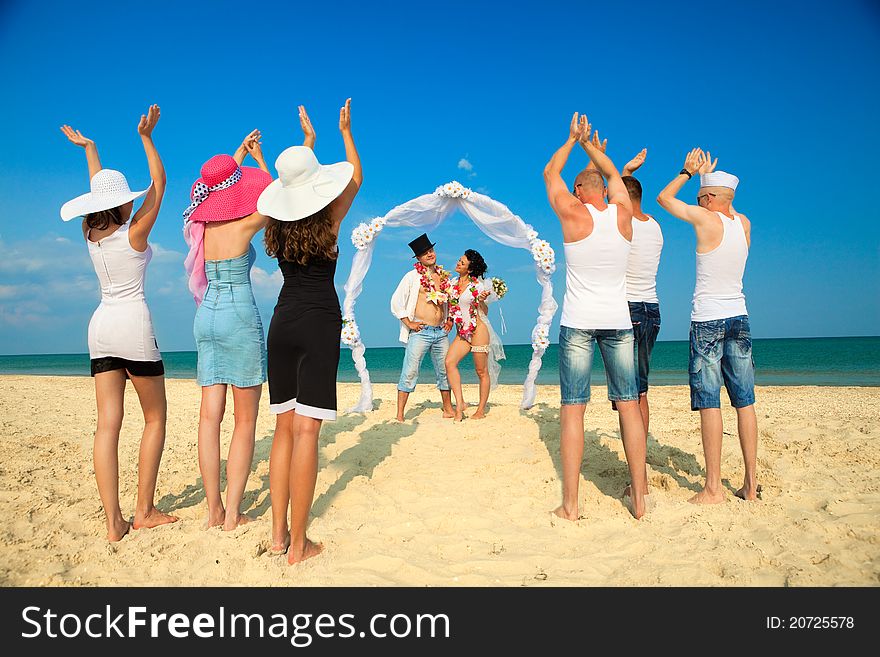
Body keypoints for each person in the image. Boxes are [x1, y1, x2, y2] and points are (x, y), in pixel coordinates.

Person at [59, 105, 177, 541]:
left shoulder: (90, 235)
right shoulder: (135, 233)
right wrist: (147, 138)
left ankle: (113, 524)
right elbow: (160, 185)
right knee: (154, 419)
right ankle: (143, 511)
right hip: (133, 326)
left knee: (107, 425)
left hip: (100, 327)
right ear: (124, 201)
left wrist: (90, 150)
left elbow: (100, 197)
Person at [259, 99, 362, 564]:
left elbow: (295, 192)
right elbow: (354, 178)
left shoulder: (277, 228)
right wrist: (343, 134)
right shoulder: (330, 224)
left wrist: (307, 146)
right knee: (306, 434)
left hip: (282, 322)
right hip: (319, 319)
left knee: (283, 429)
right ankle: (300, 546)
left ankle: (279, 534)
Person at [542, 113, 648, 520]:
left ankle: (570, 505)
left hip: (579, 323)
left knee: (573, 407)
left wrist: (572, 140)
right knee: (628, 406)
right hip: (618, 323)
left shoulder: (572, 212)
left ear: (577, 189)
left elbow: (550, 170)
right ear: (605, 189)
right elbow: (611, 177)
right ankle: (639, 498)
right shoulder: (622, 214)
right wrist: (592, 149)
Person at [183, 126, 276, 531]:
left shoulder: (200, 226)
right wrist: (258, 161)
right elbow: (276, 197)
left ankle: (213, 509)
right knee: (244, 421)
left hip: (206, 315)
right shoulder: (242, 227)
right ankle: (234, 513)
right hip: (238, 313)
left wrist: (235, 156)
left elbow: (212, 188)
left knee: (209, 418)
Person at [657, 149, 758, 504]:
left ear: (709, 199)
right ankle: (749, 484)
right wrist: (706, 180)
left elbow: (663, 198)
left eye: (700, 197)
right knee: (745, 402)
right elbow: (725, 210)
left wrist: (687, 171)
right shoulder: (743, 223)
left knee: (710, 401)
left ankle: (713, 486)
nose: (696, 202)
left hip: (708, 320)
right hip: (740, 317)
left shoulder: (705, 219)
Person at [390, 233, 455, 421]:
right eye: (425, 253)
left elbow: (450, 301)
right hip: (421, 331)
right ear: (418, 258)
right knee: (410, 370)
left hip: (441, 332)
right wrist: (409, 323)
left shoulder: (443, 277)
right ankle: (400, 414)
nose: (430, 254)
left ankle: (448, 408)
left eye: (431, 250)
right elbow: (396, 301)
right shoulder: (412, 277)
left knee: (445, 370)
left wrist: (449, 318)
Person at [444, 249, 505, 422]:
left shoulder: (478, 286)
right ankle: (460, 404)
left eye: (462, 263)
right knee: (449, 362)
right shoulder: (452, 283)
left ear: (470, 269)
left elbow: (484, 311)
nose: (458, 263)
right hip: (461, 333)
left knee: (481, 371)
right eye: (459, 260)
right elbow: (450, 306)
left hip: (478, 330)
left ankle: (481, 409)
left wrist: (481, 300)